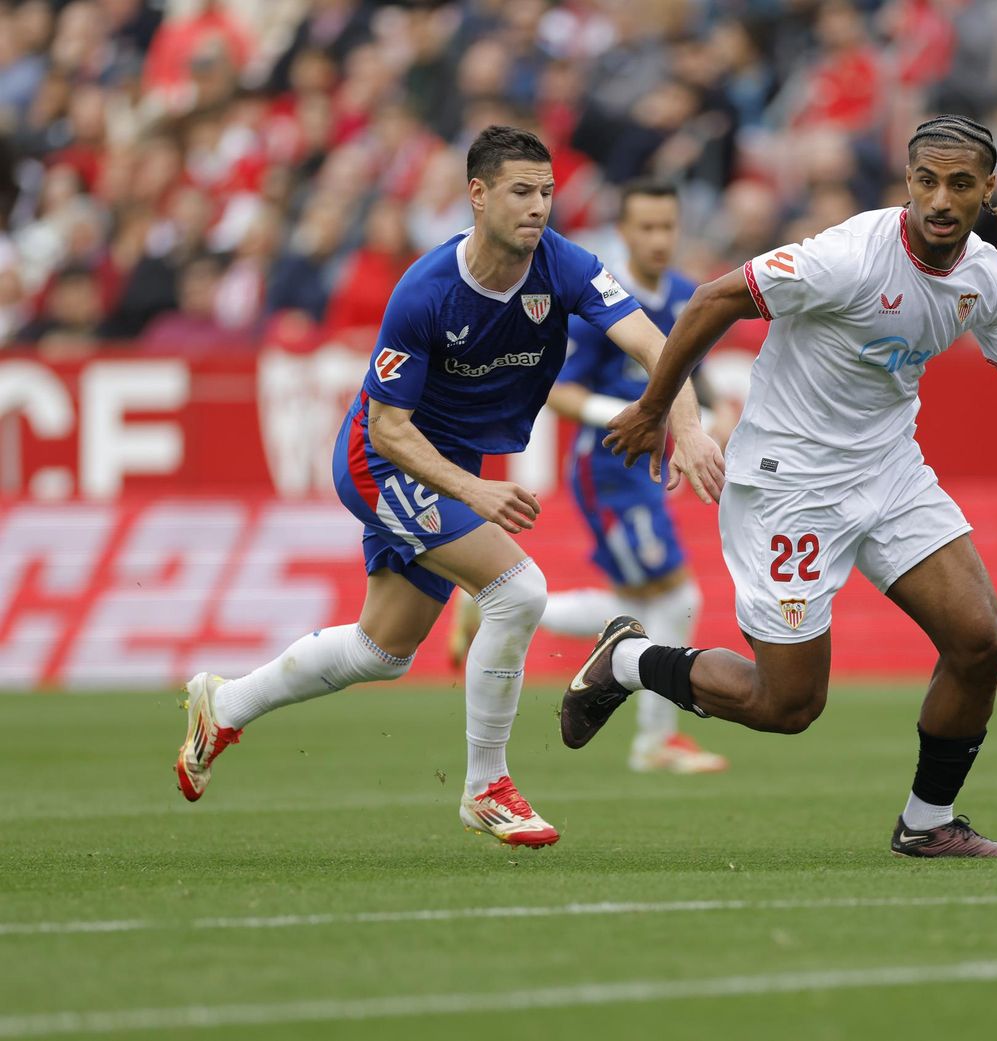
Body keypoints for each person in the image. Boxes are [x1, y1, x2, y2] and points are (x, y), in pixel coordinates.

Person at [565, 115, 997, 858]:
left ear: (990, 191)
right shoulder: (847, 257)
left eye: (960, 184)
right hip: (790, 482)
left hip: (888, 469)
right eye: (926, 181)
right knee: (787, 703)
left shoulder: (983, 274)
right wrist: (657, 407)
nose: (941, 199)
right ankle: (628, 659)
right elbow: (711, 300)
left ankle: (927, 822)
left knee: (980, 641)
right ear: (907, 184)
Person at [173, 125, 723, 848]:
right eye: (521, 191)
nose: (538, 207)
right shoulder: (425, 291)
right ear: (477, 194)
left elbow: (657, 344)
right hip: (385, 460)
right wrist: (476, 490)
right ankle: (485, 786)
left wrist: (688, 426)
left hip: (450, 461)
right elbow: (390, 428)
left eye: (547, 193)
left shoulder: (567, 265)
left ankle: (226, 702)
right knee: (517, 589)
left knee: (383, 650)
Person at [449, 178, 730, 774]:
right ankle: (655, 741)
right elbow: (559, 389)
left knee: (635, 603)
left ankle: (488, 600)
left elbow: (692, 380)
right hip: (606, 466)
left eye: (667, 227)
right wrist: (629, 415)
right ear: (623, 233)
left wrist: (712, 416)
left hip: (648, 467)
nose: (658, 239)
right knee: (678, 594)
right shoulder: (605, 299)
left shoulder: (685, 296)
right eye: (645, 228)